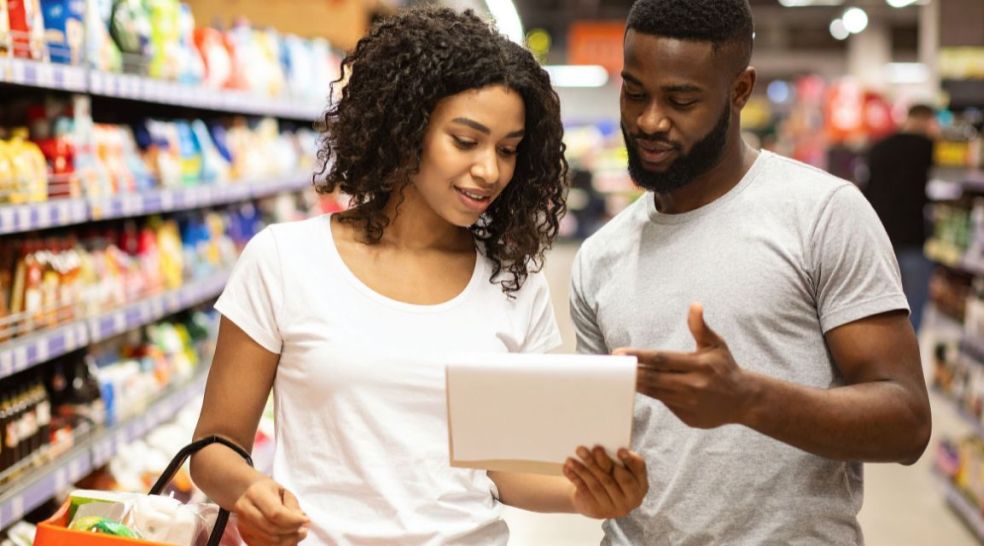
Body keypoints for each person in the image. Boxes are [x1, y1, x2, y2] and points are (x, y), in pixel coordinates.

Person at [190, 8, 648, 546]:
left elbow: (506, 469)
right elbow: (213, 448)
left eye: (507, 149)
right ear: (406, 130)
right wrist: (249, 490)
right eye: (465, 140)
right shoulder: (285, 260)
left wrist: (585, 494)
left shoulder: (512, 282)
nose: (490, 170)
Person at [569, 0, 931, 544]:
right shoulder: (599, 257)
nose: (649, 120)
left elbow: (906, 422)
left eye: (681, 99)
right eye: (635, 91)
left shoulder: (822, 213)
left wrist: (747, 400)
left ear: (740, 90)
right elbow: (602, 445)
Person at [863, 104, 940, 332]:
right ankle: (910, 354)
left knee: (881, 304)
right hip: (914, 238)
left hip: (881, 238)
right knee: (914, 304)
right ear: (927, 121)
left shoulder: (880, 147)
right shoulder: (929, 148)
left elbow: (867, 191)